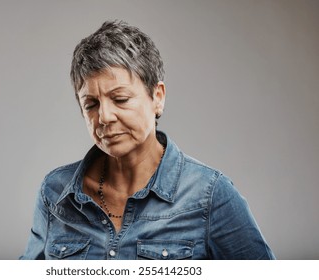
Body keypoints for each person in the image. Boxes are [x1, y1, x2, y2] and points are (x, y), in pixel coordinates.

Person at [20, 20, 275, 260]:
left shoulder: (209, 195)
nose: (105, 117)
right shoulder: (55, 193)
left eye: (120, 99)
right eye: (91, 104)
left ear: (158, 97)